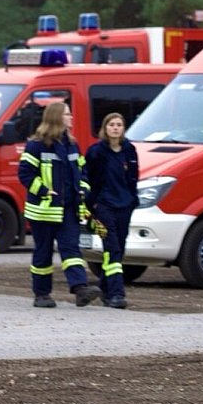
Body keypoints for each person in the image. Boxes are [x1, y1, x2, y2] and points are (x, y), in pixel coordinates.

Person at [17, 102, 102, 308]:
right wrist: (44, 191)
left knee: (71, 249)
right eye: (67, 114)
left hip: (69, 209)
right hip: (44, 211)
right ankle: (41, 294)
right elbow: (25, 174)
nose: (71, 117)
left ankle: (80, 289)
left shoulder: (72, 144)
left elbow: (82, 172)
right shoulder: (36, 145)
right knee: (43, 252)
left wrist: (83, 188)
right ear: (56, 117)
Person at [84, 113, 139, 309]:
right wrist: (93, 204)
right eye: (112, 124)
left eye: (119, 125)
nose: (115, 128)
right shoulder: (96, 152)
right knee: (112, 247)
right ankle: (117, 294)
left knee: (119, 248)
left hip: (124, 205)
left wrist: (132, 200)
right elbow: (87, 177)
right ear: (105, 128)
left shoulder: (129, 151)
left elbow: (133, 177)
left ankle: (105, 290)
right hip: (104, 206)